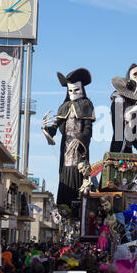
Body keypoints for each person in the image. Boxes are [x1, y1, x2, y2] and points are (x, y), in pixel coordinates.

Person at [42, 68, 95, 208]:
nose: (73, 94)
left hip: (79, 150)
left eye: (76, 90)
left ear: (82, 89)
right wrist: (47, 130)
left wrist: (81, 138)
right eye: (70, 91)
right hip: (66, 150)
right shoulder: (64, 107)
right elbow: (55, 126)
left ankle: (79, 205)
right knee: (66, 172)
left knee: (79, 173)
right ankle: (65, 208)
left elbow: (88, 129)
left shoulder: (86, 105)